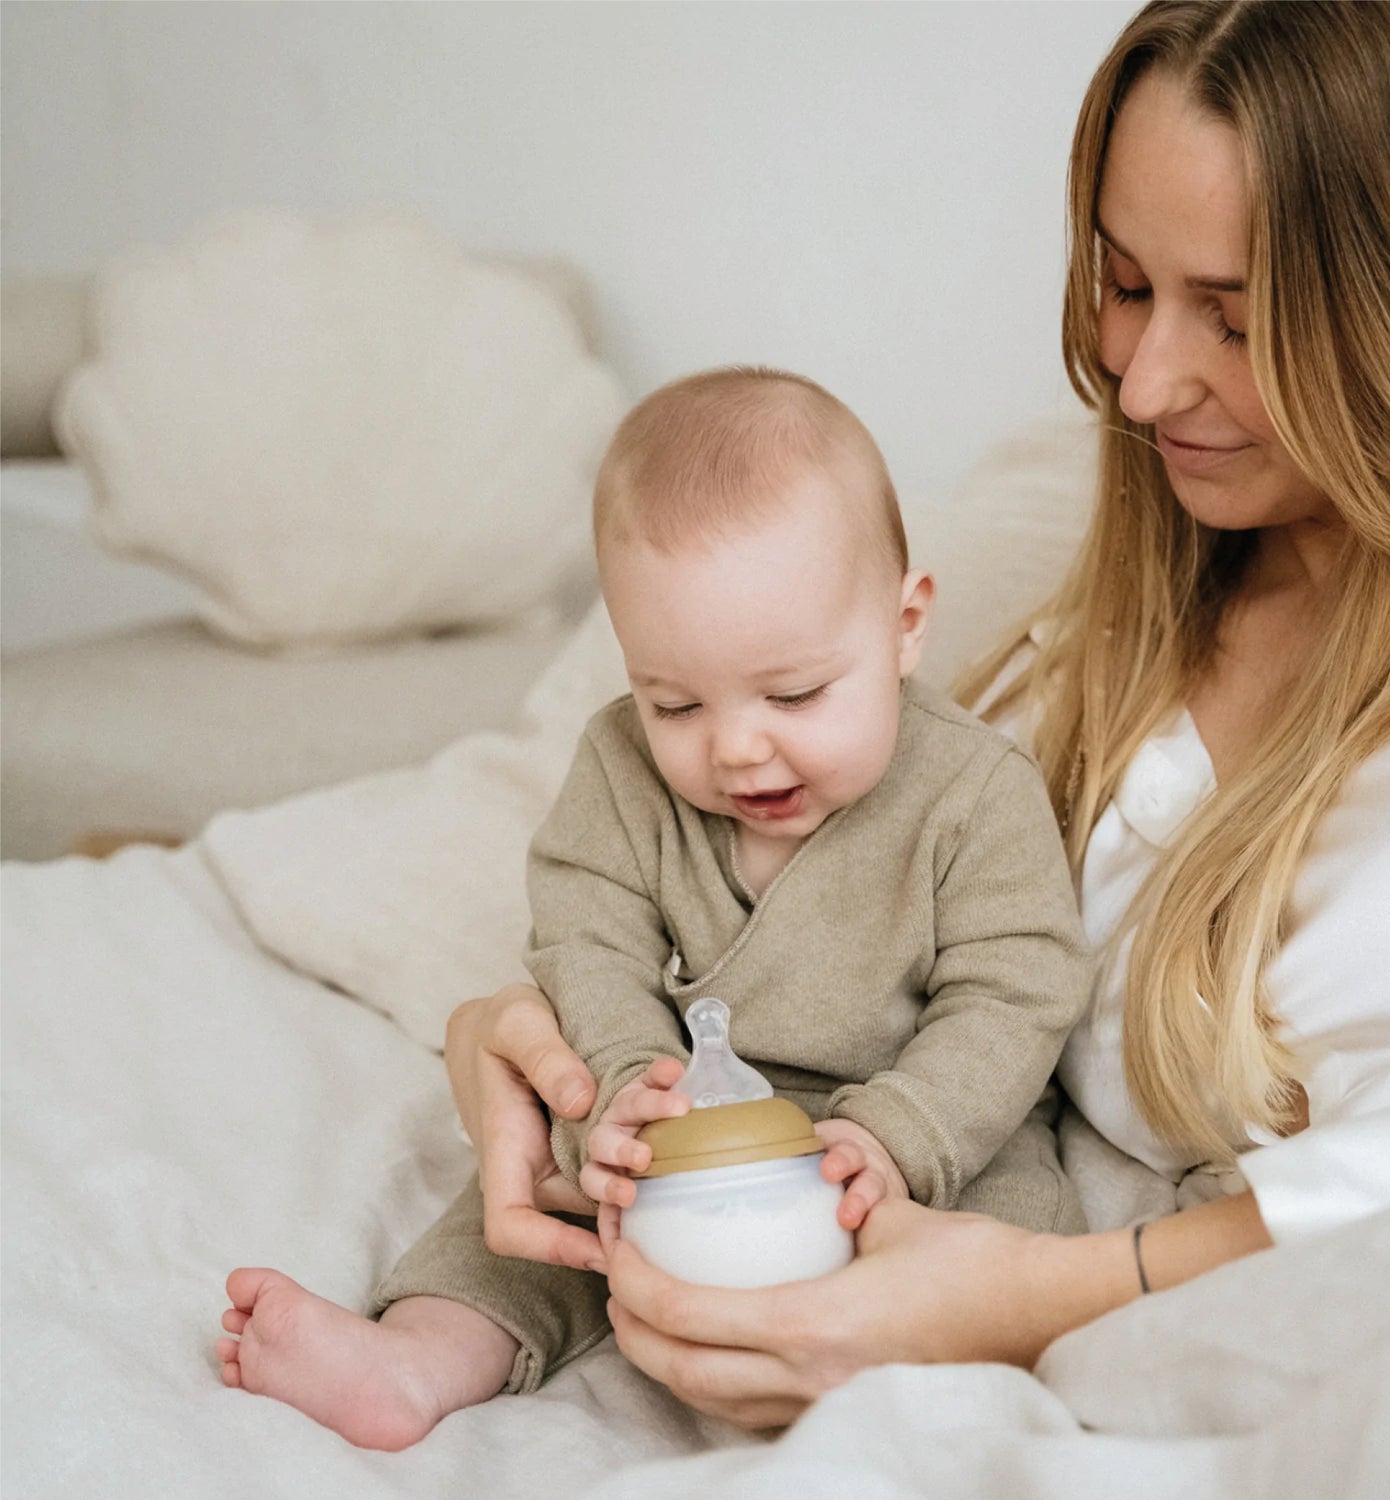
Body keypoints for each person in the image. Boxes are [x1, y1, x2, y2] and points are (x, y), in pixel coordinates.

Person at [424, 0, 1390, 1431]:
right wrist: (511, 1031)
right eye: (1123, 287)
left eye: (1237, 320)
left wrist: (1039, 1297)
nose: (1143, 380)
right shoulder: (1092, 639)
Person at [214, 367, 1094, 1447]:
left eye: (794, 694)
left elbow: (1019, 991)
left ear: (906, 624)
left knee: (1002, 1242)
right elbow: (586, 936)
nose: (735, 746)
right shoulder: (621, 772)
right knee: (537, 1216)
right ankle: (415, 1359)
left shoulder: (975, 793)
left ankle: (918, 1420)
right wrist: (625, 1090)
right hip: (689, 1128)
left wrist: (903, 1133)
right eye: (675, 701)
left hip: (908, 1136)